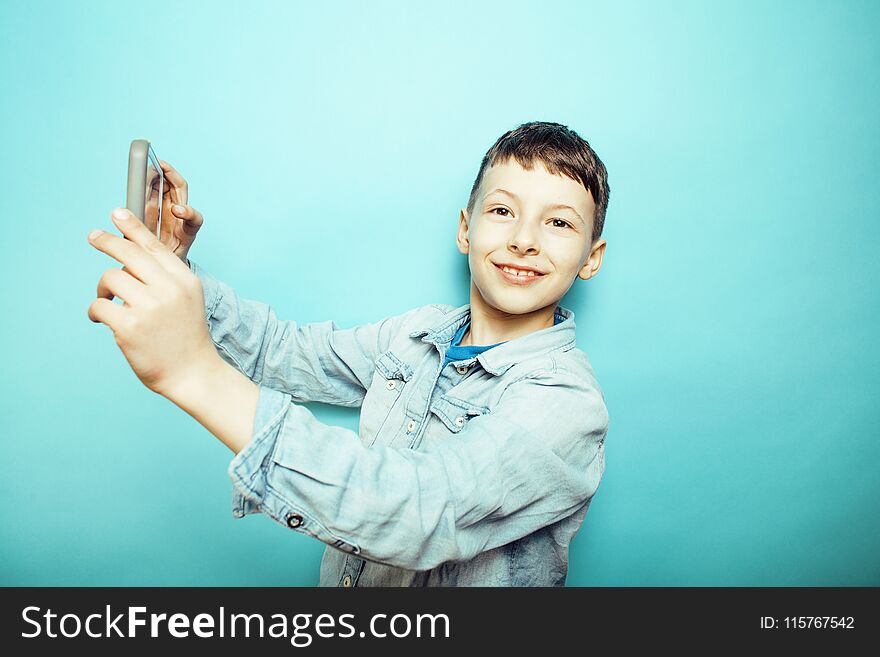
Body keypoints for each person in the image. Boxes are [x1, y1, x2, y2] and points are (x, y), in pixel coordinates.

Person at [86, 120, 610, 586]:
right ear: (465, 228)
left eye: (559, 223)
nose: (523, 240)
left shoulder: (565, 403)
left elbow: (415, 512)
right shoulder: (416, 334)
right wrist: (176, 268)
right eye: (502, 210)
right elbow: (282, 351)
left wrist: (193, 372)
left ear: (591, 258)